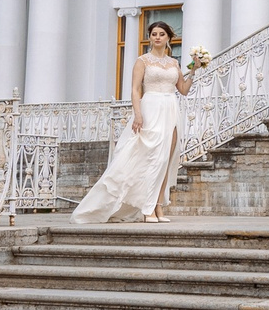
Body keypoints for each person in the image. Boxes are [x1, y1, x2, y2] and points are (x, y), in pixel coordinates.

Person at [70, 21, 195, 224]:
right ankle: (146, 209)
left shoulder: (174, 63)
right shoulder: (142, 61)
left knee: (165, 160)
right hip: (151, 108)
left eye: (161, 34)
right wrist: (138, 114)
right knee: (151, 159)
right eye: (153, 33)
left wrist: (195, 70)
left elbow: (183, 89)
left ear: (168, 38)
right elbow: (136, 90)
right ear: (150, 37)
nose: (157, 37)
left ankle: (158, 207)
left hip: (171, 109)